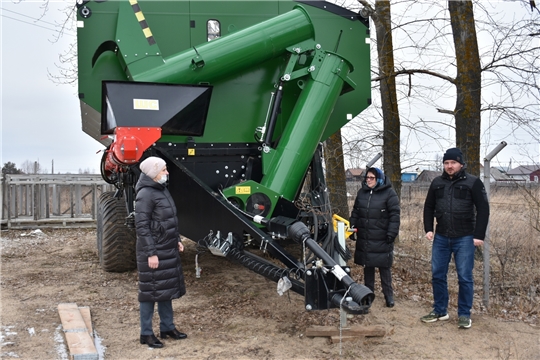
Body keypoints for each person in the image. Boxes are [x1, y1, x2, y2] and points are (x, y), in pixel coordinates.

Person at [421, 147, 489, 329]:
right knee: (437, 275)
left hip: (465, 238)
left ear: (461, 164)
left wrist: (479, 235)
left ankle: (464, 314)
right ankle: (440, 310)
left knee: (465, 277)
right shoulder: (436, 183)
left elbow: (483, 209)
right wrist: (428, 228)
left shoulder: (473, 183)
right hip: (441, 237)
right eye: (446, 163)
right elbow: (428, 207)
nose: (449, 166)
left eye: (453, 163)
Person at [135, 156, 187, 348]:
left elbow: (168, 221)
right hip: (153, 251)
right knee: (150, 293)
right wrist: (151, 253)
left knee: (166, 289)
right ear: (153, 172)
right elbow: (141, 227)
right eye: (164, 169)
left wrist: (177, 240)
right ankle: (146, 333)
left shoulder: (161, 190)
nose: (167, 172)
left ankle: (167, 327)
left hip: (167, 248)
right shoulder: (146, 194)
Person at [349, 167, 400, 308]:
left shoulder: (389, 194)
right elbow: (356, 212)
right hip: (365, 236)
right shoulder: (362, 193)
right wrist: (352, 228)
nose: (369, 180)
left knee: (384, 267)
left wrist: (391, 233)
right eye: (367, 178)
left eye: (372, 178)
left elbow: (395, 216)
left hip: (382, 237)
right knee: (368, 267)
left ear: (379, 179)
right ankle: (368, 294)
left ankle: (388, 296)